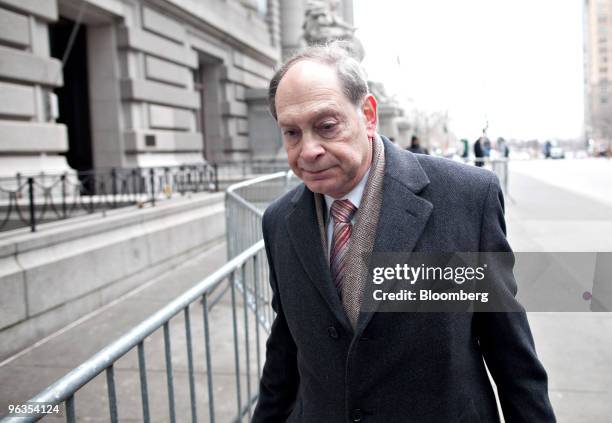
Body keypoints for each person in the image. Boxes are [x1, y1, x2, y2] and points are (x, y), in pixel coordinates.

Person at [252, 43, 555, 423]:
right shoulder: (279, 221)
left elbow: (510, 352)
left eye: (327, 126)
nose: (308, 149)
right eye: (292, 133)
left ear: (368, 115)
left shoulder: (465, 198)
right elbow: (284, 353)